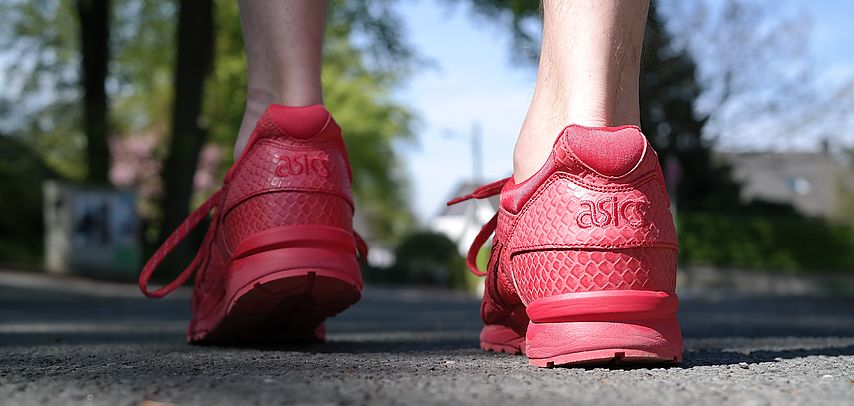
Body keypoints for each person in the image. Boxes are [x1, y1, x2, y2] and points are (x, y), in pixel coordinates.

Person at [139, 0, 682, 367]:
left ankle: (282, 139)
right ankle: (598, 134)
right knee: (588, 115)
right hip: (625, 213)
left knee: (282, 99)